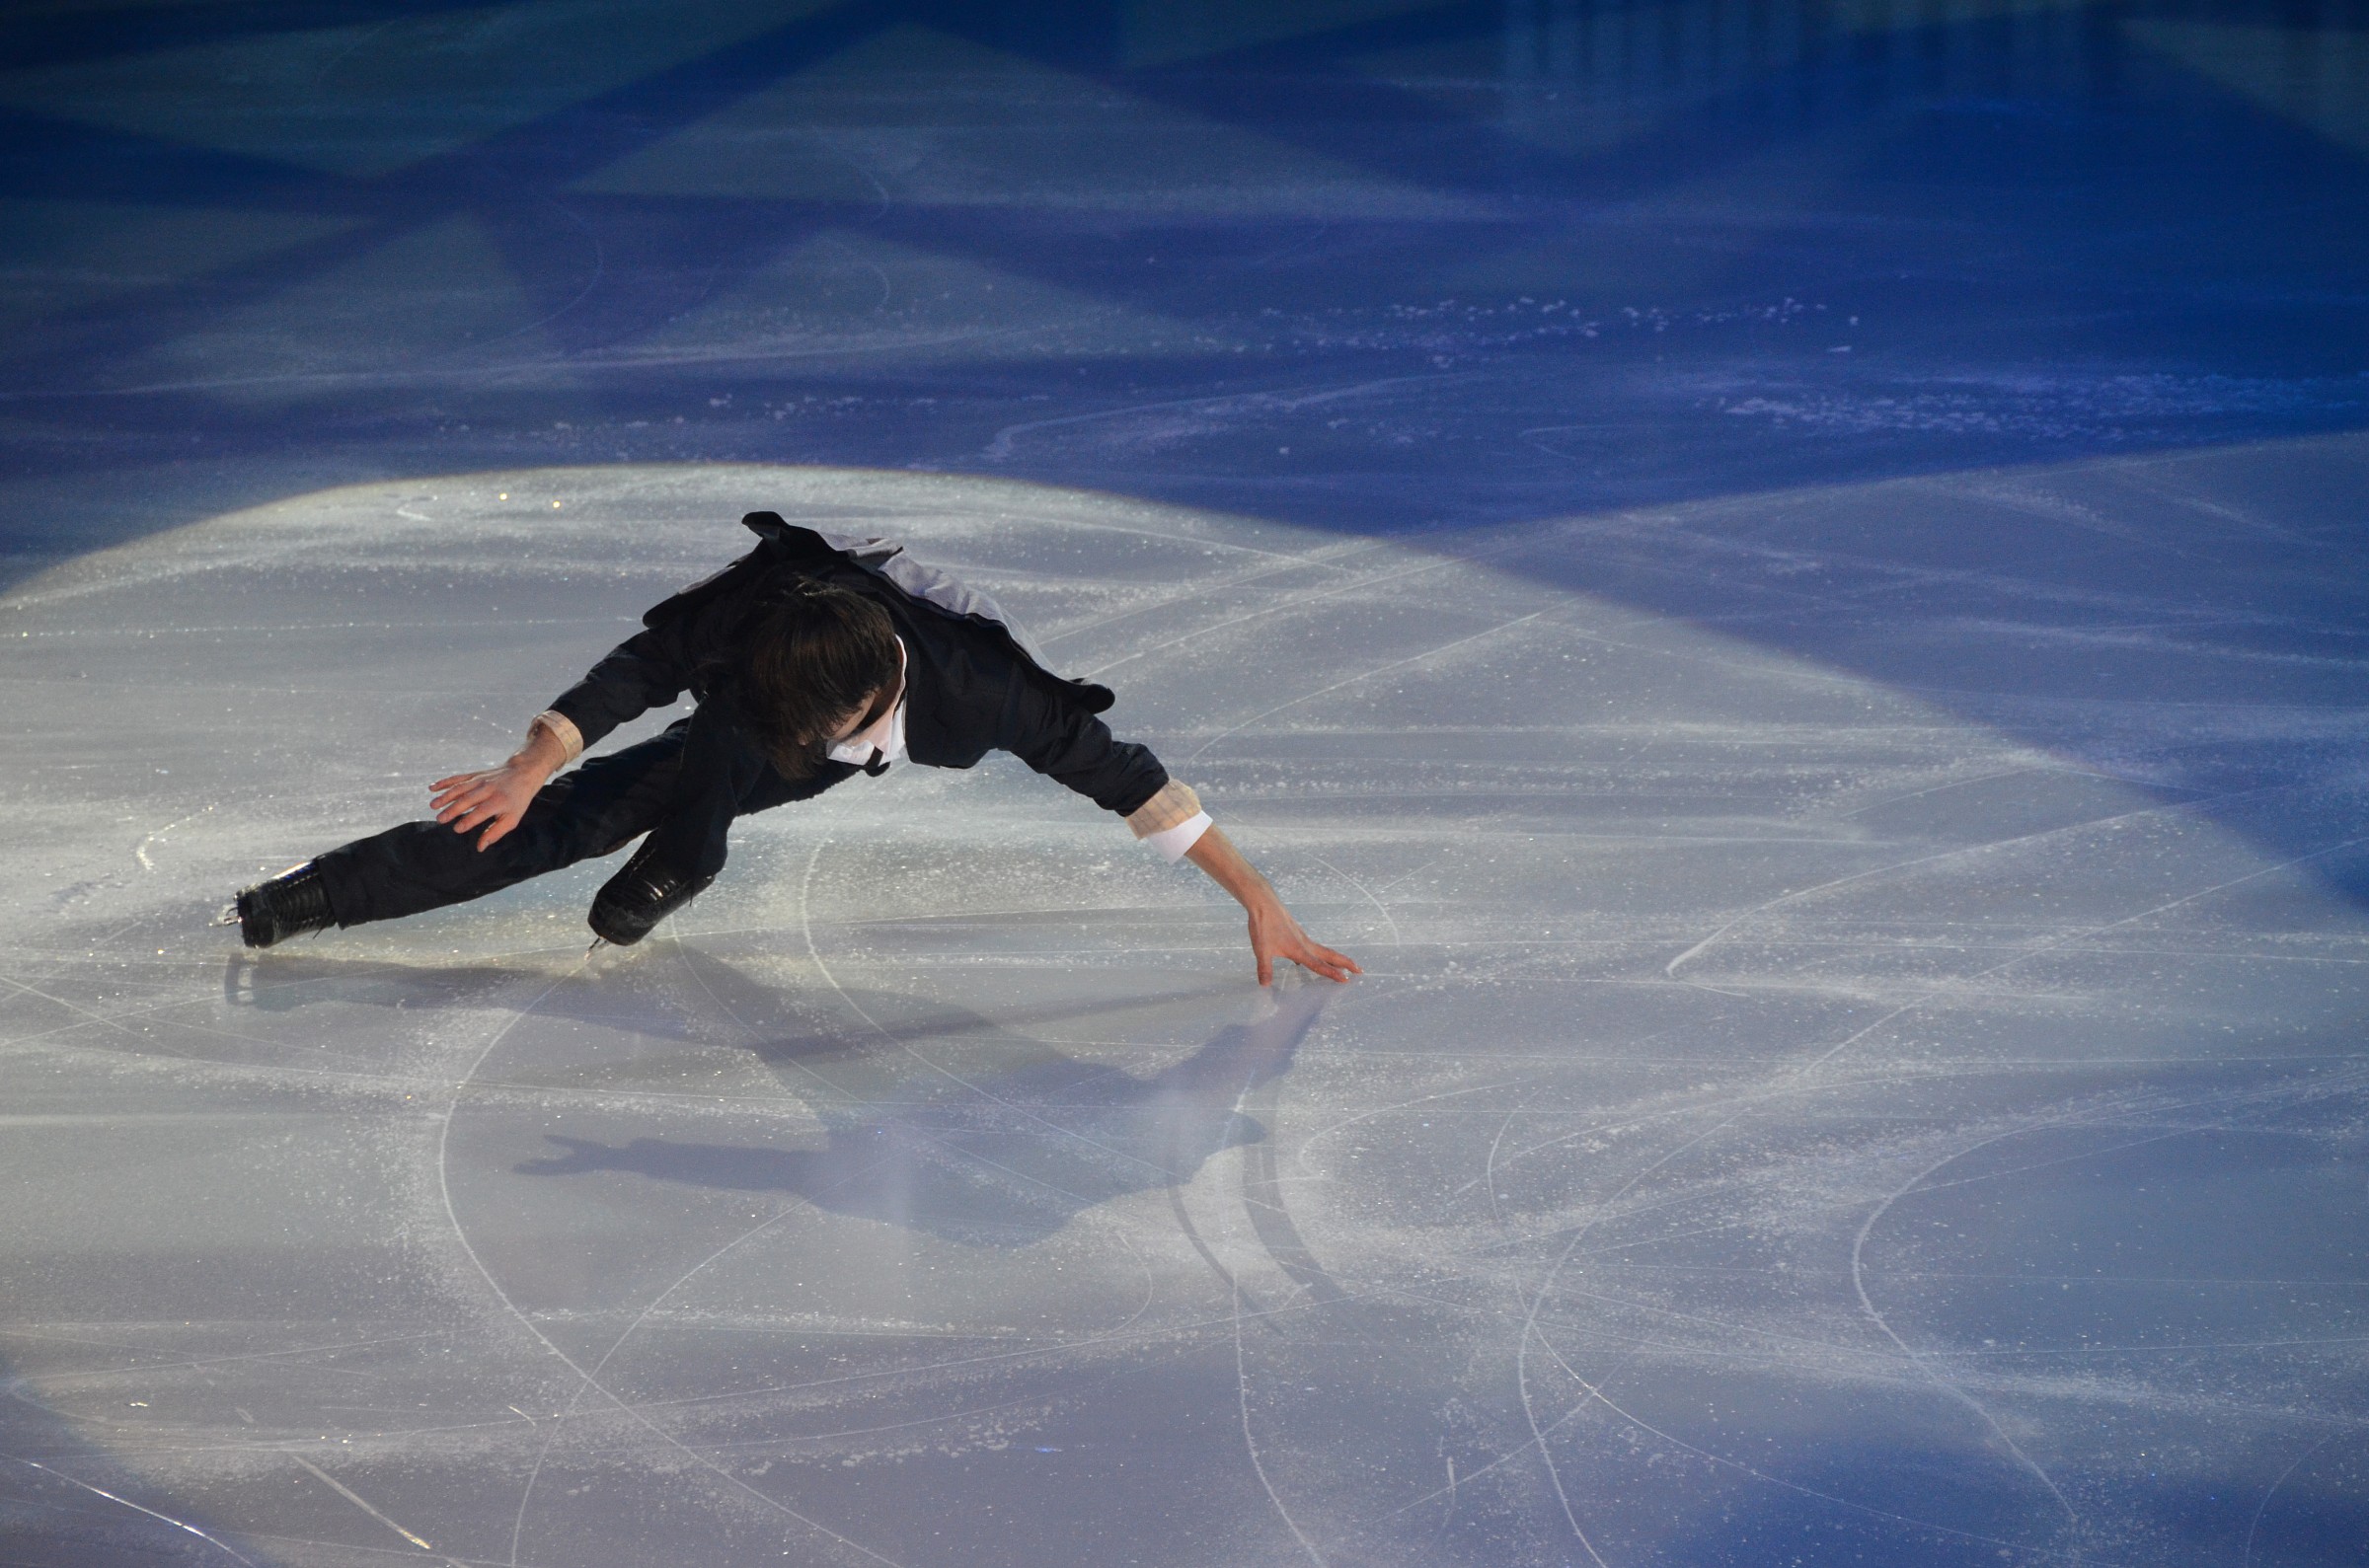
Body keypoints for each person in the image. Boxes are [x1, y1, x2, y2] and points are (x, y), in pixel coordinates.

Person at [226, 511, 1359, 987]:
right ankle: (316, 892)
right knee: (568, 816)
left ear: (864, 699)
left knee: (708, 787)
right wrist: (528, 766)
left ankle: (695, 838)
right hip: (746, 702)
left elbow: (1137, 784)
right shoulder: (752, 615)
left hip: (796, 733)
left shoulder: (994, 695)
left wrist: (1255, 896)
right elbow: (629, 674)